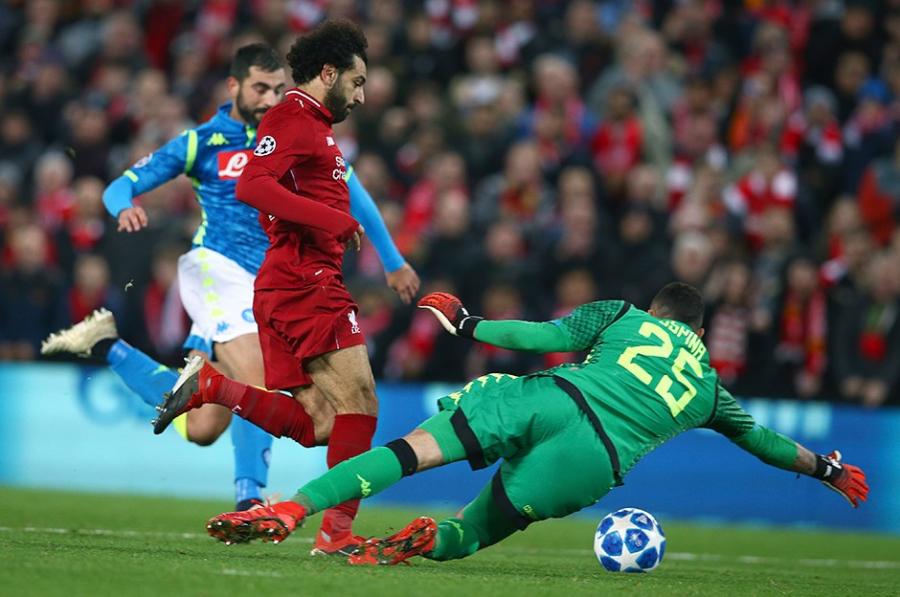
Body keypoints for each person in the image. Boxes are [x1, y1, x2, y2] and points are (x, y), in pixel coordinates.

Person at [199, 283, 868, 566]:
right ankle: (429, 540)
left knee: (408, 452)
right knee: (474, 530)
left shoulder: (623, 314)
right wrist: (827, 469)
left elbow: (546, 335)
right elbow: (764, 443)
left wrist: (470, 323)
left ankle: (292, 508)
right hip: (592, 462)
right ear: (697, 329)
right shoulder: (711, 389)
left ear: (658, 311)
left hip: (552, 399)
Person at [41, 43, 420, 518]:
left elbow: (355, 195)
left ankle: (106, 344)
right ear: (234, 86)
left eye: (278, 88)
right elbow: (123, 185)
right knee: (257, 378)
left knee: (202, 428)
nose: (269, 98)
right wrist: (124, 207)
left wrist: (393, 260)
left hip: (274, 283)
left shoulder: (295, 129)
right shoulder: (202, 141)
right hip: (217, 271)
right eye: (260, 88)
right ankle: (250, 498)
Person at [153, 20, 398, 556]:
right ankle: (336, 535)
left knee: (322, 423)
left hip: (290, 282)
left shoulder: (314, 125)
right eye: (356, 82)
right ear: (328, 73)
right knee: (361, 404)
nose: (361, 95)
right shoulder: (292, 117)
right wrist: (332, 220)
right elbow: (251, 184)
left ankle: (214, 388)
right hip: (304, 281)